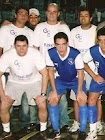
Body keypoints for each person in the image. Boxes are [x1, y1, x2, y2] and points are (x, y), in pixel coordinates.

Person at [0, 35, 48, 139]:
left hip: (34, 81)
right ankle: (6, 131)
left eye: (24, 46)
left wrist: (43, 94)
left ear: (28, 45)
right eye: (18, 46)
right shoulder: (7, 55)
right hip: (14, 82)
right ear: (14, 46)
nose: (21, 49)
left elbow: (45, 73)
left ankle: (43, 130)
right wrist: (2, 95)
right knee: (4, 106)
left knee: (42, 104)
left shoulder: (35, 54)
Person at [33, 3, 71, 131]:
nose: (52, 14)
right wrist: (37, 67)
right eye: (49, 11)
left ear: (58, 13)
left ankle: (64, 122)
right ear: (46, 13)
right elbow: (35, 48)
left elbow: (68, 48)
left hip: (60, 70)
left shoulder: (64, 27)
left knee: (62, 98)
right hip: (44, 69)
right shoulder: (39, 27)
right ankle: (50, 122)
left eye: (54, 11)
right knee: (48, 96)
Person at [46, 32, 87, 139]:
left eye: (63, 44)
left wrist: (79, 91)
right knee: (53, 99)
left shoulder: (75, 54)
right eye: (58, 44)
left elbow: (81, 72)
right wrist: (54, 90)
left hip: (76, 79)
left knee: (81, 99)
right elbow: (50, 72)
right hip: (61, 79)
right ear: (54, 45)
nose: (61, 47)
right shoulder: (50, 53)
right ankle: (56, 130)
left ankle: (82, 131)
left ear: (67, 43)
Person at [69, 6, 97, 134]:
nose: (83, 18)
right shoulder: (73, 31)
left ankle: (95, 123)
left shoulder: (97, 31)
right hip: (77, 71)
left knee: (94, 98)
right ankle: (77, 122)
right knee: (76, 97)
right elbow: (71, 52)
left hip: (93, 70)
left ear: (90, 17)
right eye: (81, 15)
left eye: (86, 15)